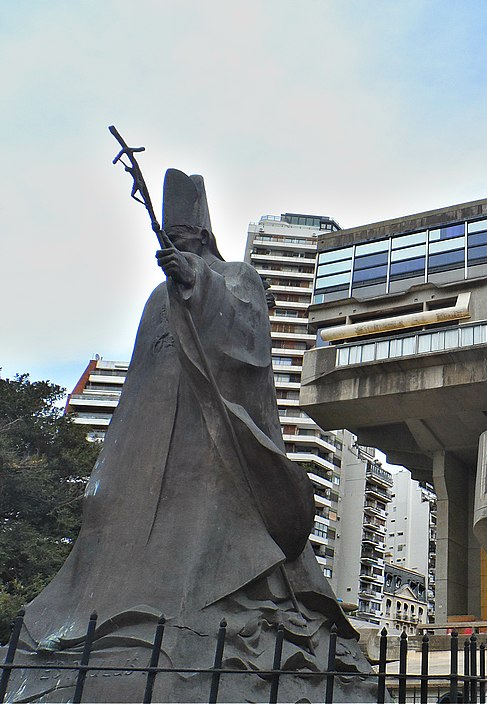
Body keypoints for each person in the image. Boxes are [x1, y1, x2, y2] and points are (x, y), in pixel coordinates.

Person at [10, 169, 375, 702]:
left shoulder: (238, 278)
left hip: (214, 433)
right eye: (169, 239)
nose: (174, 246)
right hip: (153, 430)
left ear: (202, 234)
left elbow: (249, 341)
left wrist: (197, 285)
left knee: (211, 522)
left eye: (183, 237)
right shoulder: (156, 297)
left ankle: (217, 612)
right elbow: (138, 376)